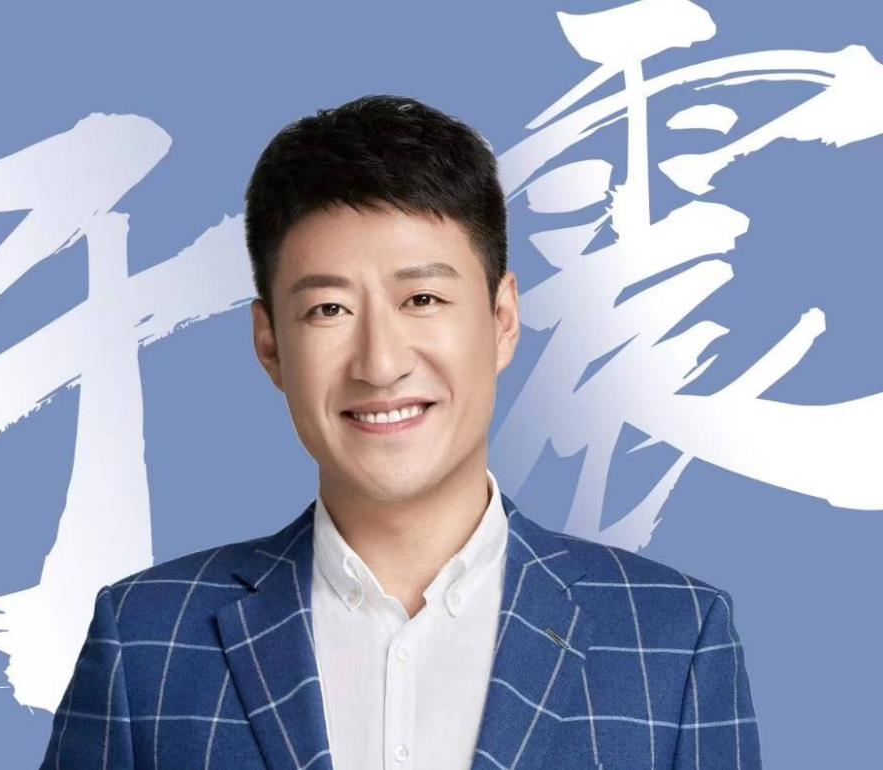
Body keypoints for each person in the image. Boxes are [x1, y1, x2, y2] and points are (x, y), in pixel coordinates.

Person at [40, 95, 761, 769]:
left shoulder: (672, 639)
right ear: (269, 345)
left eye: (422, 298)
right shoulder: (146, 640)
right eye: (328, 310)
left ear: (502, 319)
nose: (380, 363)